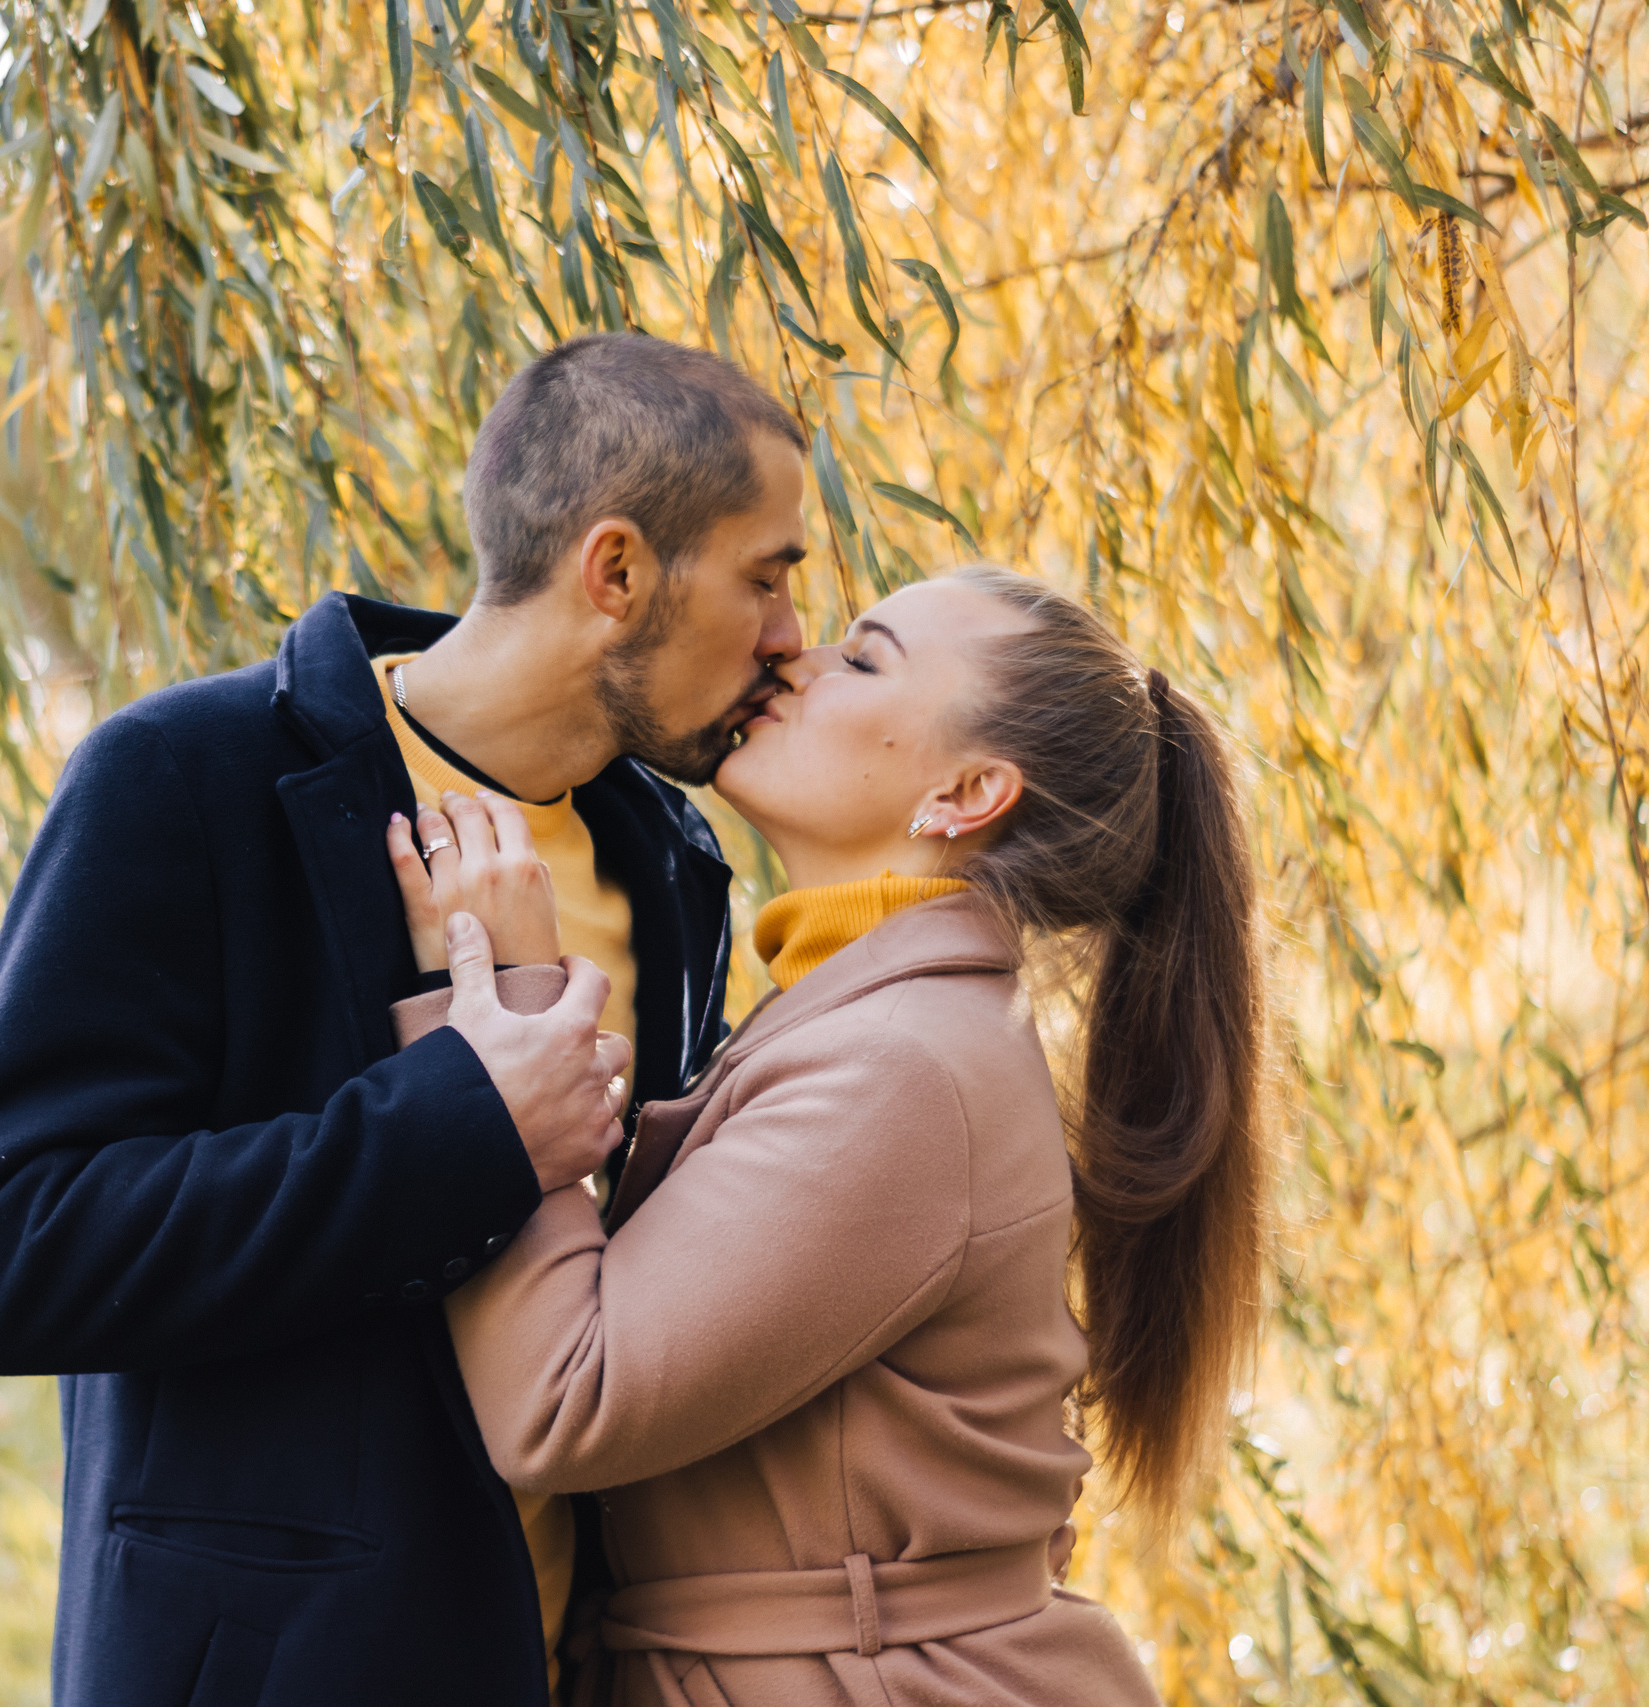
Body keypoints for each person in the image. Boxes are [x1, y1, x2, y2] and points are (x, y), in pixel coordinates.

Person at [0, 333, 809, 1706]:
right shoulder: (184, 779)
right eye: (766, 576)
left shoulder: (669, 855)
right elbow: (7, 1247)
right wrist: (462, 1127)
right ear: (617, 572)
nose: (790, 635)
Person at [386, 565, 1271, 1705]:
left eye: (861, 659)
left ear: (966, 792)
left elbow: (569, 1399)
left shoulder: (901, 1068)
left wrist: (503, 1007)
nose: (789, 656)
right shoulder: (863, 1019)